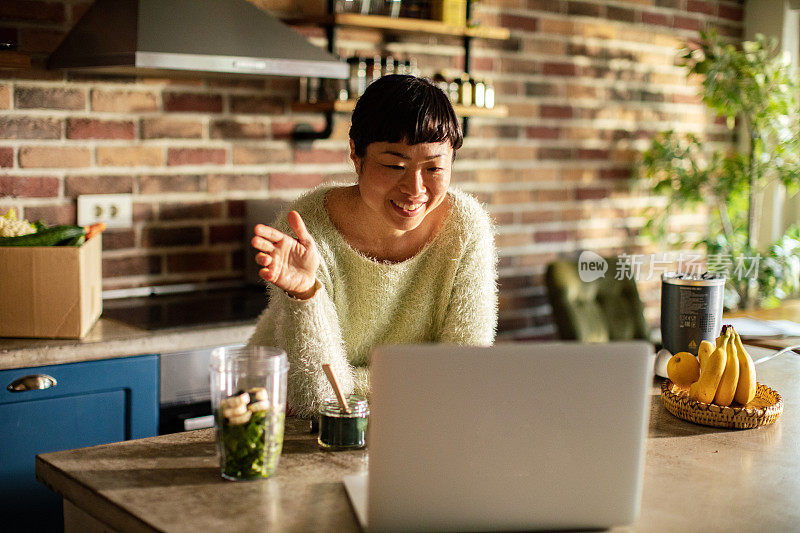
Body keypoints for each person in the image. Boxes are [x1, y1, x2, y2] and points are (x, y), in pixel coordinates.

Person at [248, 74, 498, 418]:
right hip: (284, 416)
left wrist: (359, 386)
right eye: (394, 165)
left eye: (434, 167)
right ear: (356, 153)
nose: (415, 189)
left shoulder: (466, 228)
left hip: (407, 421)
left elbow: (464, 374)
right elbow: (317, 399)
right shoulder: (306, 230)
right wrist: (306, 294)